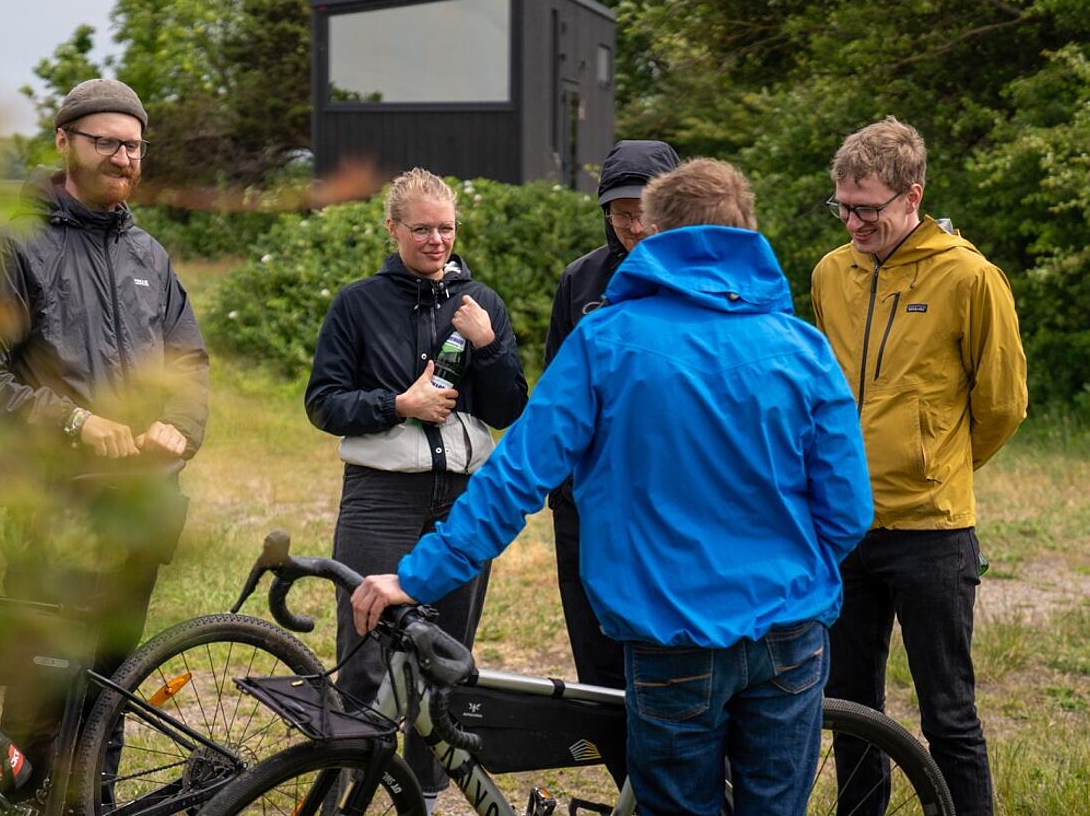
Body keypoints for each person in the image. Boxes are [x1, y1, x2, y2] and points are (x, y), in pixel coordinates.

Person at [352, 158, 874, 815]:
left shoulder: (606, 340)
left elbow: (516, 477)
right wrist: (789, 568)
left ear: (652, 235)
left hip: (670, 632)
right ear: (748, 233)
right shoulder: (802, 348)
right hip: (790, 633)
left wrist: (418, 575)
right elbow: (850, 509)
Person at [0, 78, 208, 785]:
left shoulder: (150, 255)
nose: (123, 158)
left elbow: (189, 363)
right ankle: (29, 800)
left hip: (142, 507)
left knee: (113, 685)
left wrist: (180, 425)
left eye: (135, 146)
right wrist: (72, 421)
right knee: (43, 683)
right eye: (107, 142)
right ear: (64, 142)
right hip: (51, 507)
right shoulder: (14, 249)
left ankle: (94, 803)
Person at [812, 117, 1027, 815]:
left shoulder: (970, 276)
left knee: (948, 714)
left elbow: (1002, 403)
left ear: (913, 195)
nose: (852, 221)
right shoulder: (829, 272)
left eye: (867, 208)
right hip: (844, 526)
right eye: (842, 206)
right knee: (848, 708)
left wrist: (939, 466)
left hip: (933, 531)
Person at [304, 167, 528, 811]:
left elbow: (509, 405)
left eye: (446, 229)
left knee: (444, 656)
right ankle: (352, 792)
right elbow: (323, 404)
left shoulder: (480, 301)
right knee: (369, 650)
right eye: (423, 228)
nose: (436, 241)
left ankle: (424, 798)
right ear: (393, 228)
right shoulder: (357, 303)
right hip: (381, 496)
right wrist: (398, 403)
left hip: (462, 499)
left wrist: (487, 345)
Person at [543, 139, 680, 784]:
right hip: (588, 510)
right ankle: (635, 792)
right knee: (598, 673)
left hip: (668, 508)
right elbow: (553, 395)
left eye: (647, 208)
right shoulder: (581, 281)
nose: (634, 224)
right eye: (622, 211)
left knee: (667, 666)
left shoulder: (701, 281)